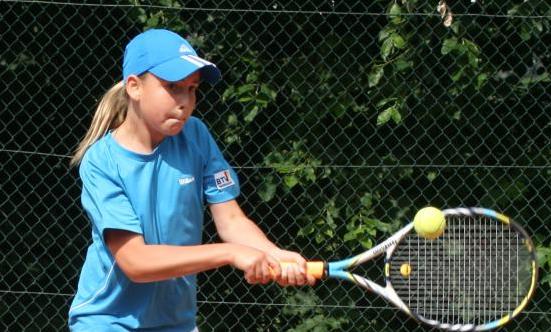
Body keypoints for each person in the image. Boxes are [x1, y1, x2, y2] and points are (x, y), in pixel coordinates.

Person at [68, 28, 315, 332]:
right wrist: (230, 253)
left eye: (192, 88)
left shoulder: (196, 135)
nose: (185, 101)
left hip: (177, 323)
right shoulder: (102, 162)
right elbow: (136, 262)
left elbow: (232, 221)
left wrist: (273, 254)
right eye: (172, 86)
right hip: (107, 322)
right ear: (134, 87)